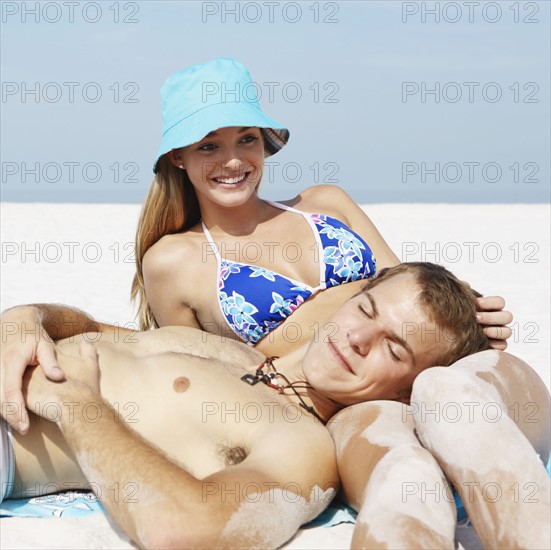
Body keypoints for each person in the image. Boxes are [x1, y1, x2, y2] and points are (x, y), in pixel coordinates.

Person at [0, 58, 513, 435]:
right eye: (208, 145)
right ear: (178, 157)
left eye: (246, 138)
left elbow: (406, 290)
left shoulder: (325, 203)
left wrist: (471, 311)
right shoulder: (174, 261)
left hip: (405, 383)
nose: (233, 160)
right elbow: (197, 372)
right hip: (324, 421)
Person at [1, 263, 548, 549]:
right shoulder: (223, 347)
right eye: (366, 310)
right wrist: (26, 317)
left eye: (393, 346)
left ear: (406, 391)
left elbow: (185, 532)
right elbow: (86, 327)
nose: (358, 337)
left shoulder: (302, 445)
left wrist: (79, 407)